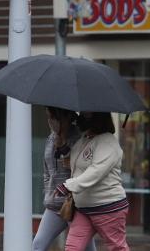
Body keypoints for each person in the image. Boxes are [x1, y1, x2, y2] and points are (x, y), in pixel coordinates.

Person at [55, 112, 130, 251]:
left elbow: (96, 171)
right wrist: (62, 147)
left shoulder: (108, 142)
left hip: (108, 207)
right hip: (84, 209)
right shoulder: (85, 138)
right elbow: (77, 163)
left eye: (85, 115)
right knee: (72, 248)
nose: (79, 118)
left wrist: (68, 186)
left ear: (97, 118)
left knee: (117, 248)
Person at [32, 107, 96, 251]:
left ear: (63, 117)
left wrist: (65, 149)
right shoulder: (50, 138)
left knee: (84, 248)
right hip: (54, 205)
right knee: (38, 244)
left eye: (52, 118)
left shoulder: (80, 137)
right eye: (48, 118)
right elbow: (47, 170)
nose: (50, 122)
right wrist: (48, 192)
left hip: (76, 205)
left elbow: (86, 170)